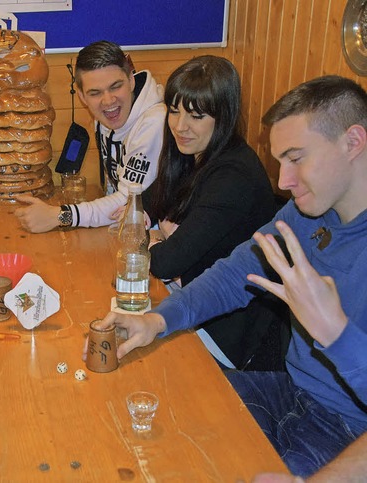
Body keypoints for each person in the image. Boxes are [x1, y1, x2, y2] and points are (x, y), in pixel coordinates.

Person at [90, 75, 367, 478]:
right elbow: (234, 274)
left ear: (353, 142)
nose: (283, 182)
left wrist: (336, 334)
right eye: (279, 162)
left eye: (297, 158)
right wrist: (157, 320)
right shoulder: (307, 214)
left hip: (349, 433)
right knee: (152, 419)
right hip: (289, 391)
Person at [143, 55, 282, 369]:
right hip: (187, 301)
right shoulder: (190, 152)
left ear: (224, 117)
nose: (180, 126)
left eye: (196, 115)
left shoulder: (234, 176)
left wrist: (156, 243)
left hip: (224, 332)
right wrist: (156, 234)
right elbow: (142, 204)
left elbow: (165, 262)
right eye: (174, 111)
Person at [15, 40, 166, 233]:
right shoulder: (107, 116)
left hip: (156, 238)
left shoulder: (154, 122)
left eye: (115, 86)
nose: (108, 100)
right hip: (123, 231)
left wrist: (59, 216)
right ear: (82, 96)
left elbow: (128, 202)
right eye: (95, 93)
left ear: (131, 80)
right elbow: (113, 193)